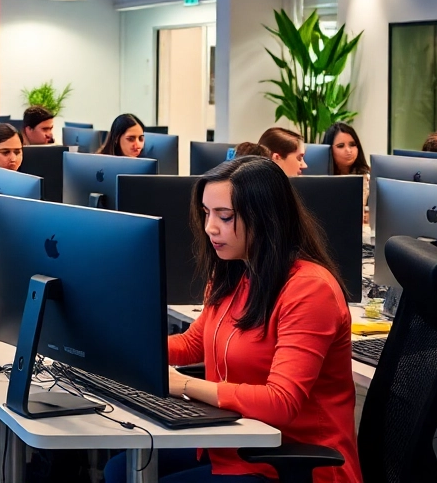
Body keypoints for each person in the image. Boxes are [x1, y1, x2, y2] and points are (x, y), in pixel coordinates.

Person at [106, 156, 360, 483]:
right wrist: (121, 351)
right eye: (206, 213)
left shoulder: (310, 290)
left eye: (225, 216)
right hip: (237, 439)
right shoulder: (235, 271)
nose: (211, 227)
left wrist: (184, 384)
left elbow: (281, 402)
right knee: (119, 471)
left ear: (266, 218)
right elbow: (195, 342)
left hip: (292, 460)